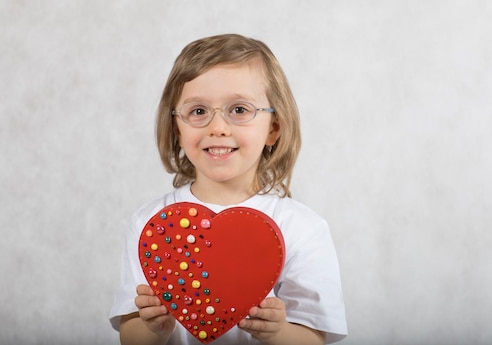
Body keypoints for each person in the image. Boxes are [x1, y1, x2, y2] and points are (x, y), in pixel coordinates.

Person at [109, 34, 347, 345]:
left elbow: (314, 338)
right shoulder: (151, 223)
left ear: (273, 128)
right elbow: (131, 334)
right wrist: (155, 329)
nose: (217, 127)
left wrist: (277, 332)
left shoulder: (302, 228)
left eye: (238, 110)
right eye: (198, 111)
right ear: (176, 129)